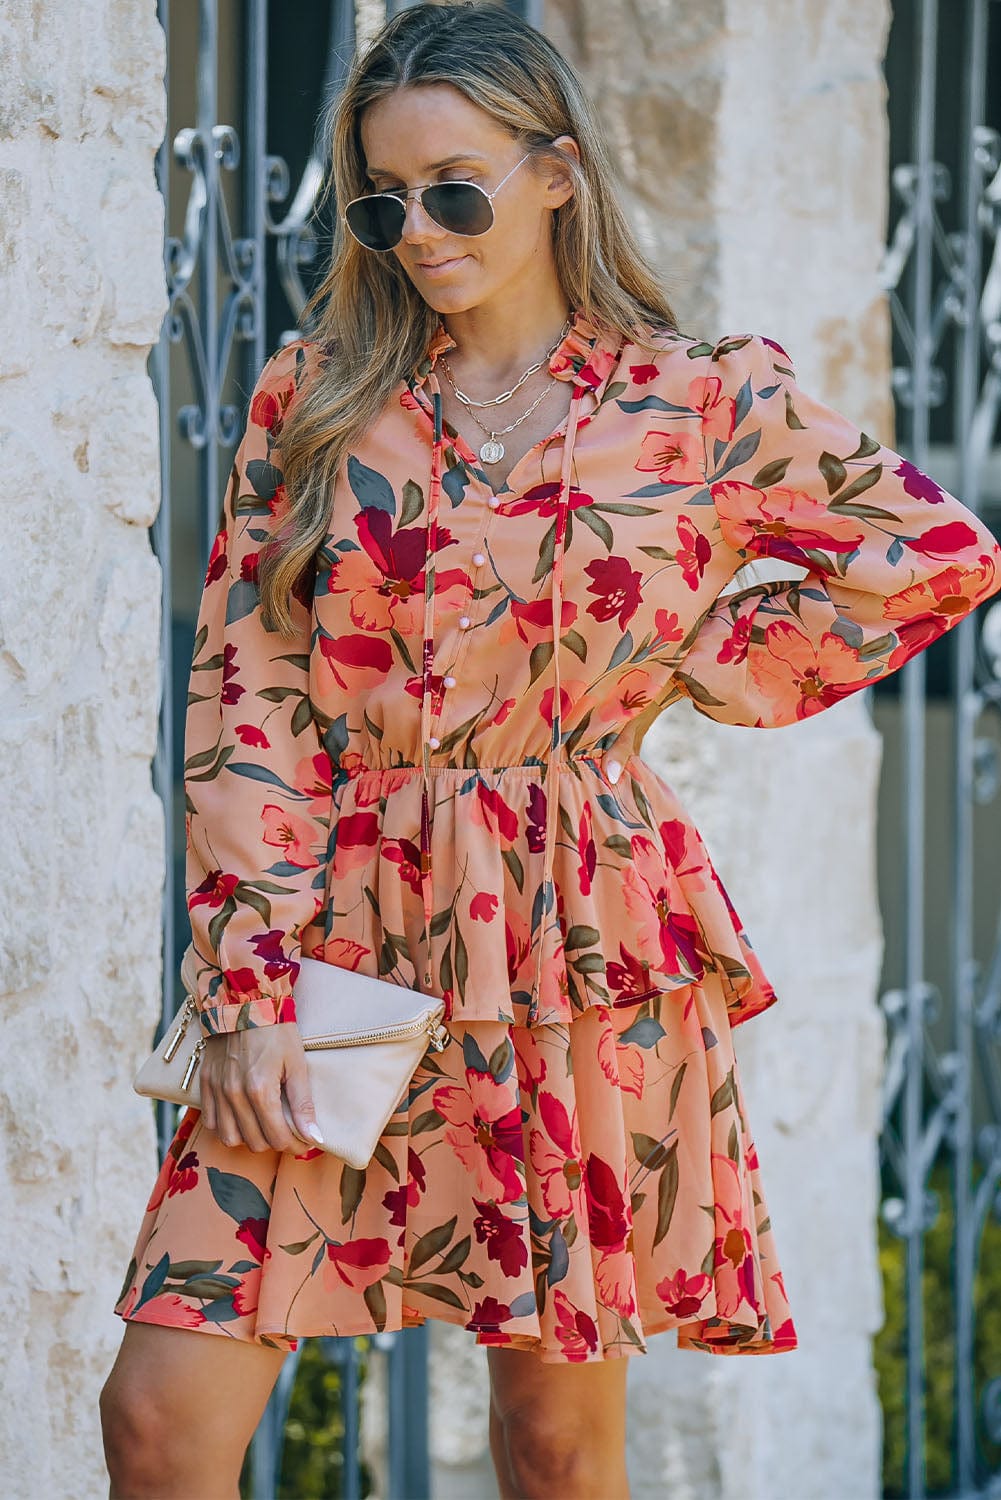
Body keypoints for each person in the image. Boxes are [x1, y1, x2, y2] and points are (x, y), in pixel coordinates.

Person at [99, 4, 1001, 1497]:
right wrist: (248, 988)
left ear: (558, 173)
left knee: (553, 1445)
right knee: (162, 1416)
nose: (417, 232)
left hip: (576, 926)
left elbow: (932, 554)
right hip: (341, 940)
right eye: (380, 201)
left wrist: (693, 673)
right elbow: (247, 696)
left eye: (454, 188)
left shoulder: (705, 400)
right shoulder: (316, 402)